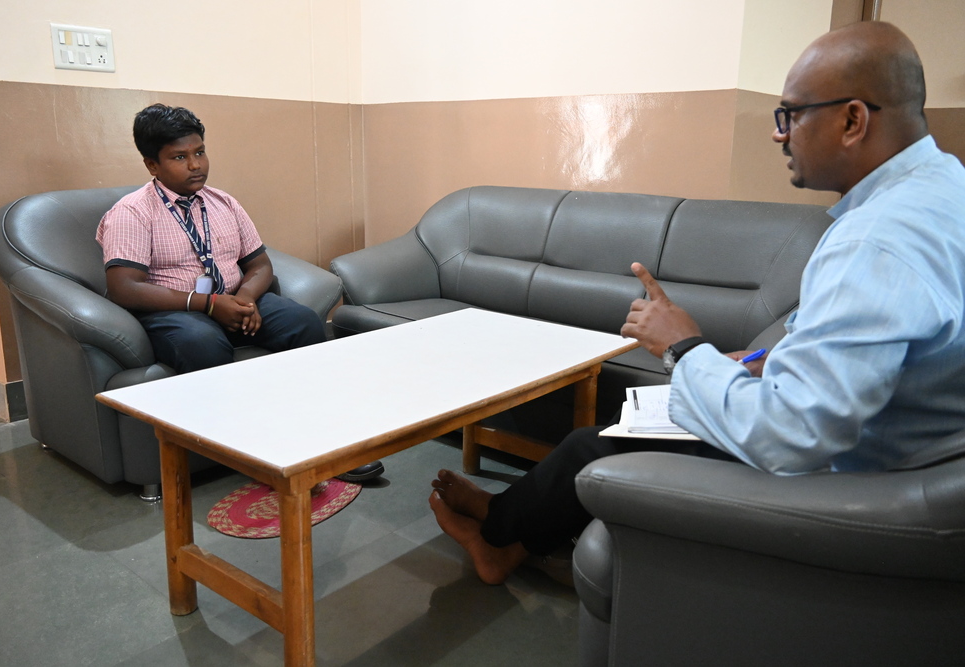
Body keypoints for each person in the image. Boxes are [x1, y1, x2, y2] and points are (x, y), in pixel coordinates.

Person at [430, 21, 965, 584]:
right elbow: (867, 347)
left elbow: (791, 436)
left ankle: (497, 539)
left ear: (852, 120)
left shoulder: (874, 240)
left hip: (847, 482)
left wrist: (683, 347)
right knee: (620, 425)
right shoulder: (942, 190)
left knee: (597, 445)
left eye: (791, 115)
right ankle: (504, 521)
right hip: (891, 453)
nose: (779, 134)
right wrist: (762, 361)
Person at [97, 103, 383, 482]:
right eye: (179, 157)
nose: (196, 165)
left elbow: (260, 265)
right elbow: (124, 287)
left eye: (200, 152)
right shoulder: (132, 212)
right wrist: (209, 304)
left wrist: (246, 298)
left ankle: (324, 438)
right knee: (203, 342)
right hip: (176, 312)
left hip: (233, 299)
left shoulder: (223, 203)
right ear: (152, 165)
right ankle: (254, 453)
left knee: (303, 322)